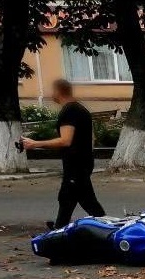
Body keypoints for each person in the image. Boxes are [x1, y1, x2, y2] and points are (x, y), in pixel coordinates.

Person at [22, 79, 105, 228]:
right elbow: (93, 138)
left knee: (82, 200)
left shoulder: (70, 111)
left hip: (76, 165)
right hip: (81, 163)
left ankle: (108, 228)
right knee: (71, 198)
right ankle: (59, 229)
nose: (51, 94)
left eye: (52, 90)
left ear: (58, 91)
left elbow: (66, 141)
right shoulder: (80, 109)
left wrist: (35, 144)